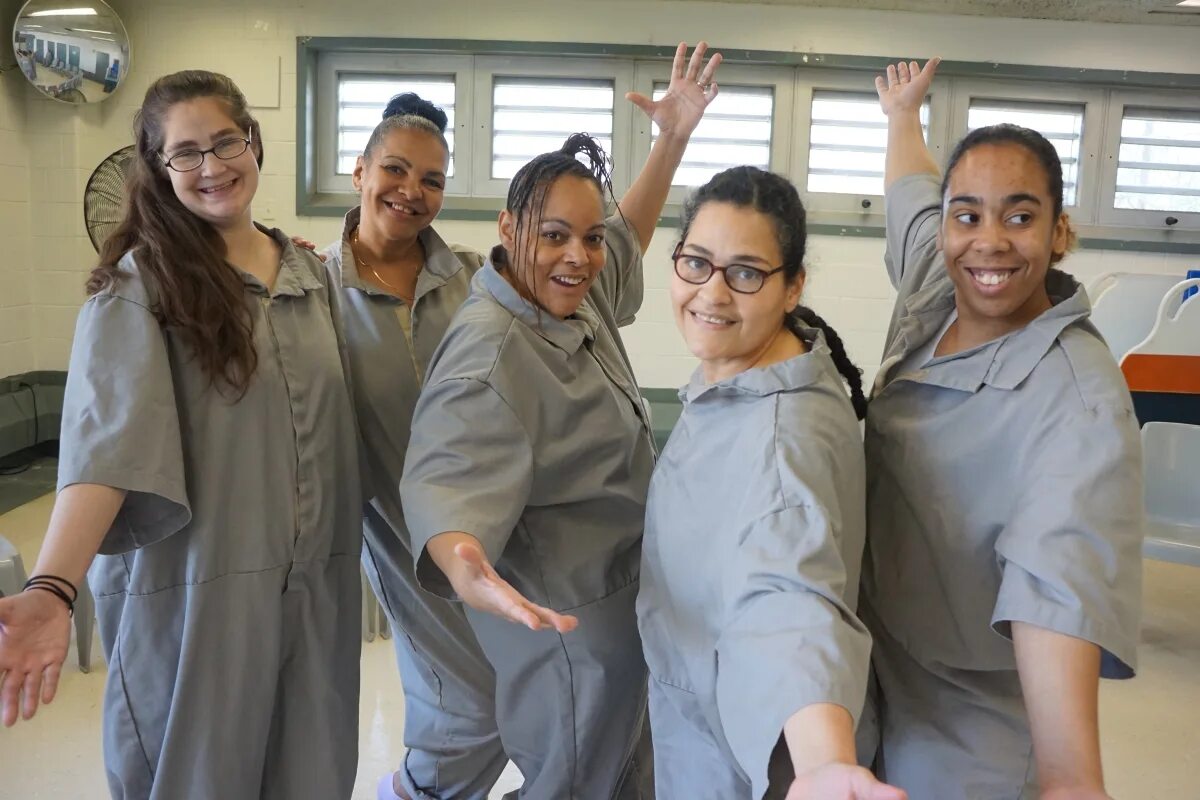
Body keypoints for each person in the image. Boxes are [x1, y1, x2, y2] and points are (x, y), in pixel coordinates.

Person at [0, 70, 362, 800]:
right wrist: (51, 587)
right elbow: (105, 450)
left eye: (225, 141)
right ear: (160, 171)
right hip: (195, 605)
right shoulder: (140, 288)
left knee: (313, 776)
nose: (211, 166)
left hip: (314, 596)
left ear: (253, 142)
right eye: (185, 152)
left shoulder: (310, 278)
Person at [399, 42, 722, 799]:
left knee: (621, 780)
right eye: (555, 236)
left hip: (622, 608)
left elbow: (627, 237)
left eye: (588, 237)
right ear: (511, 229)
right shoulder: (490, 353)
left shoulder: (570, 294)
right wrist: (467, 568)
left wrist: (672, 138)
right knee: (573, 784)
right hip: (565, 634)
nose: (579, 256)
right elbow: (443, 478)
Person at [860, 59, 1144, 800]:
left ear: (1059, 231)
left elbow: (1061, 577)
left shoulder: (1077, 393)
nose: (989, 241)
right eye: (969, 215)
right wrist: (902, 117)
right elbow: (911, 193)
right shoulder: (937, 284)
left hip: (973, 715)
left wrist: (1069, 777)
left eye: (1020, 217)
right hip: (873, 657)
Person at [636, 166, 904, 800]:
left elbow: (791, 596)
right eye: (696, 262)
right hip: (706, 712)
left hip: (742, 751)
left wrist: (823, 763)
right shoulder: (762, 370)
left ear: (792, 286)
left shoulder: (784, 439)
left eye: (747, 273)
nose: (712, 293)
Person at [322, 93, 508, 800]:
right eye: (395, 170)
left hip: (494, 521)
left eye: (431, 179)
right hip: (397, 534)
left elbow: (596, 259)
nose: (412, 190)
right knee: (469, 705)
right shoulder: (313, 287)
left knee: (526, 691)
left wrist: (672, 139)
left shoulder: (473, 278)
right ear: (359, 170)